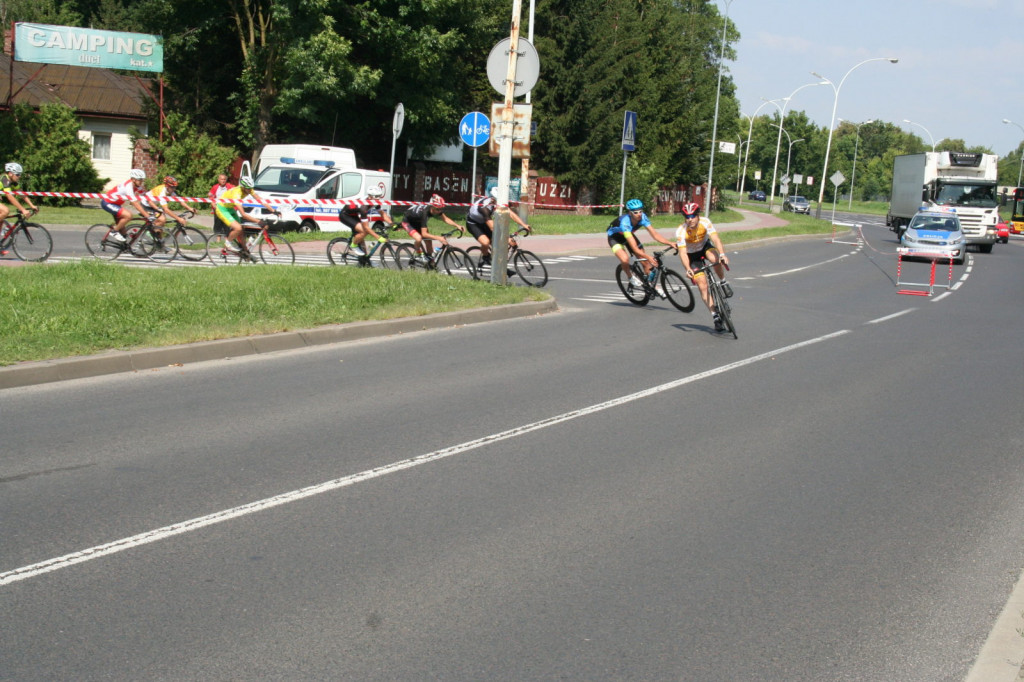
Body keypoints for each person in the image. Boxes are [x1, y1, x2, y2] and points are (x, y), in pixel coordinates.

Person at [675, 201, 732, 332]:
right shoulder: (681, 231)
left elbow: (716, 239)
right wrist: (688, 269)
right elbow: (682, 253)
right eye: (687, 217)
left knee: (715, 258)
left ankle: (723, 282)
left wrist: (723, 254)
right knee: (702, 284)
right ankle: (715, 316)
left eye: (693, 216)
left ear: (698, 216)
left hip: (705, 247)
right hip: (692, 255)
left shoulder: (705, 222)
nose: (690, 220)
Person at [607, 198, 675, 293]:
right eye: (635, 212)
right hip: (615, 238)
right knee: (624, 259)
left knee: (645, 262)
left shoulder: (643, 217)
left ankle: (651, 285)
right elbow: (634, 248)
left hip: (629, 235)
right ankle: (630, 277)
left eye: (640, 211)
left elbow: (654, 234)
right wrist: (648, 257)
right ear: (630, 213)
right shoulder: (625, 223)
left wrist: (670, 242)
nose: (639, 214)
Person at [214, 175, 280, 259]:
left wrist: (273, 210)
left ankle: (245, 253)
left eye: (250, 188)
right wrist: (258, 221)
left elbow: (261, 200)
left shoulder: (249, 189)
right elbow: (243, 214)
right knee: (238, 228)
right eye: (247, 188)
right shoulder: (237, 193)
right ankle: (228, 243)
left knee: (241, 230)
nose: (249, 190)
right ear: (242, 187)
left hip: (230, 208)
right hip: (222, 208)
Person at [465, 187, 530, 265]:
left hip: (484, 222)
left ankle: (499, 264)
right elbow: (492, 228)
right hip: (473, 223)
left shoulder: (497, 203)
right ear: (493, 200)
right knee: (486, 242)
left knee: (499, 244)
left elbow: (511, 214)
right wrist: (506, 237)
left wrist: (524, 224)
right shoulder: (484, 208)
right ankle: (486, 256)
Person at [400, 194, 463, 263]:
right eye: (438, 209)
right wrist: (439, 238)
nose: (439, 211)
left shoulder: (435, 208)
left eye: (441, 208)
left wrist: (457, 225)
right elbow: (424, 234)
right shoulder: (425, 213)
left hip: (418, 221)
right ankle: (418, 254)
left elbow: (445, 219)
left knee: (428, 241)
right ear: (432, 207)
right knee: (419, 238)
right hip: (408, 222)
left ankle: (431, 264)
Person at [100, 168, 149, 244]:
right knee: (128, 216)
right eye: (140, 180)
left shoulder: (137, 186)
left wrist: (154, 208)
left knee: (123, 231)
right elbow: (135, 203)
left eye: (142, 180)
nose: (141, 182)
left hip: (116, 204)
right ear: (133, 179)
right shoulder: (128, 186)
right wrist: (146, 215)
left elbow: (146, 197)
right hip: (108, 203)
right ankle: (114, 232)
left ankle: (124, 247)